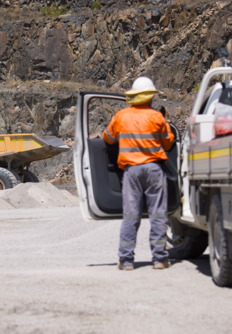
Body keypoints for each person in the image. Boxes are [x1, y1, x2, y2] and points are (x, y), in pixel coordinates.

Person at [103, 77, 174, 271]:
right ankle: (159, 259)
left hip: (131, 172)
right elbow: (168, 144)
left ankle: (126, 261)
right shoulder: (157, 117)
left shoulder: (121, 116)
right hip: (153, 170)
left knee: (131, 216)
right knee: (158, 214)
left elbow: (107, 139)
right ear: (150, 97)